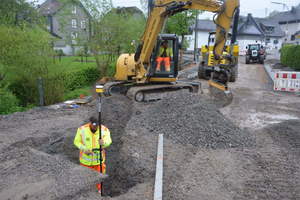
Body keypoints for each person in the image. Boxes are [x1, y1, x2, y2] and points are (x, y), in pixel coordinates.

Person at [74, 116, 112, 193]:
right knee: (85, 178)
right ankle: (86, 192)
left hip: (99, 161)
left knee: (99, 177)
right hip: (85, 161)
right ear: (90, 123)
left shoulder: (104, 130)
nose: (95, 127)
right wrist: (84, 149)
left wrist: (104, 143)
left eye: (97, 125)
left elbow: (109, 141)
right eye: (93, 125)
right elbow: (76, 142)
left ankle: (99, 190)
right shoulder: (82, 130)